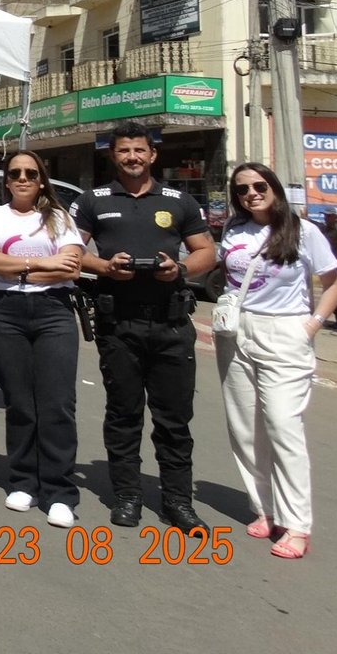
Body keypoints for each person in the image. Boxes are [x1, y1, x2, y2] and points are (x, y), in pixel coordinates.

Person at [72, 121, 216, 531]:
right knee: (123, 414)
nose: (132, 157)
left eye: (139, 151)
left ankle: (177, 501)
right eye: (123, 151)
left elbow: (206, 251)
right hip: (118, 324)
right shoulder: (93, 200)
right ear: (112, 156)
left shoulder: (180, 200)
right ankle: (128, 496)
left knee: (174, 419)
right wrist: (104, 266)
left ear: (152, 155)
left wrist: (181, 268)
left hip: (171, 323)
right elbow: (71, 250)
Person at [216, 163, 337, 559]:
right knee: (245, 426)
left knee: (283, 426)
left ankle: (298, 523)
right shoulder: (233, 230)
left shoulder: (305, 231)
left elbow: (333, 282)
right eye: (242, 189)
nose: (251, 193)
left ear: (273, 187)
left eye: (259, 185)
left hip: (286, 333)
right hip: (238, 332)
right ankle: (265, 508)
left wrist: (313, 325)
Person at [0, 149, 84, 528]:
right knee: (20, 402)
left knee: (57, 403)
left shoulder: (58, 217)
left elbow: (70, 265)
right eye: (15, 173)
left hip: (54, 311)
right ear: (6, 180)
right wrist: (40, 264)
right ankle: (23, 480)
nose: (22, 178)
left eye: (30, 173)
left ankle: (59, 490)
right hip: (5, 313)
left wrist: (17, 270)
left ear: (41, 180)